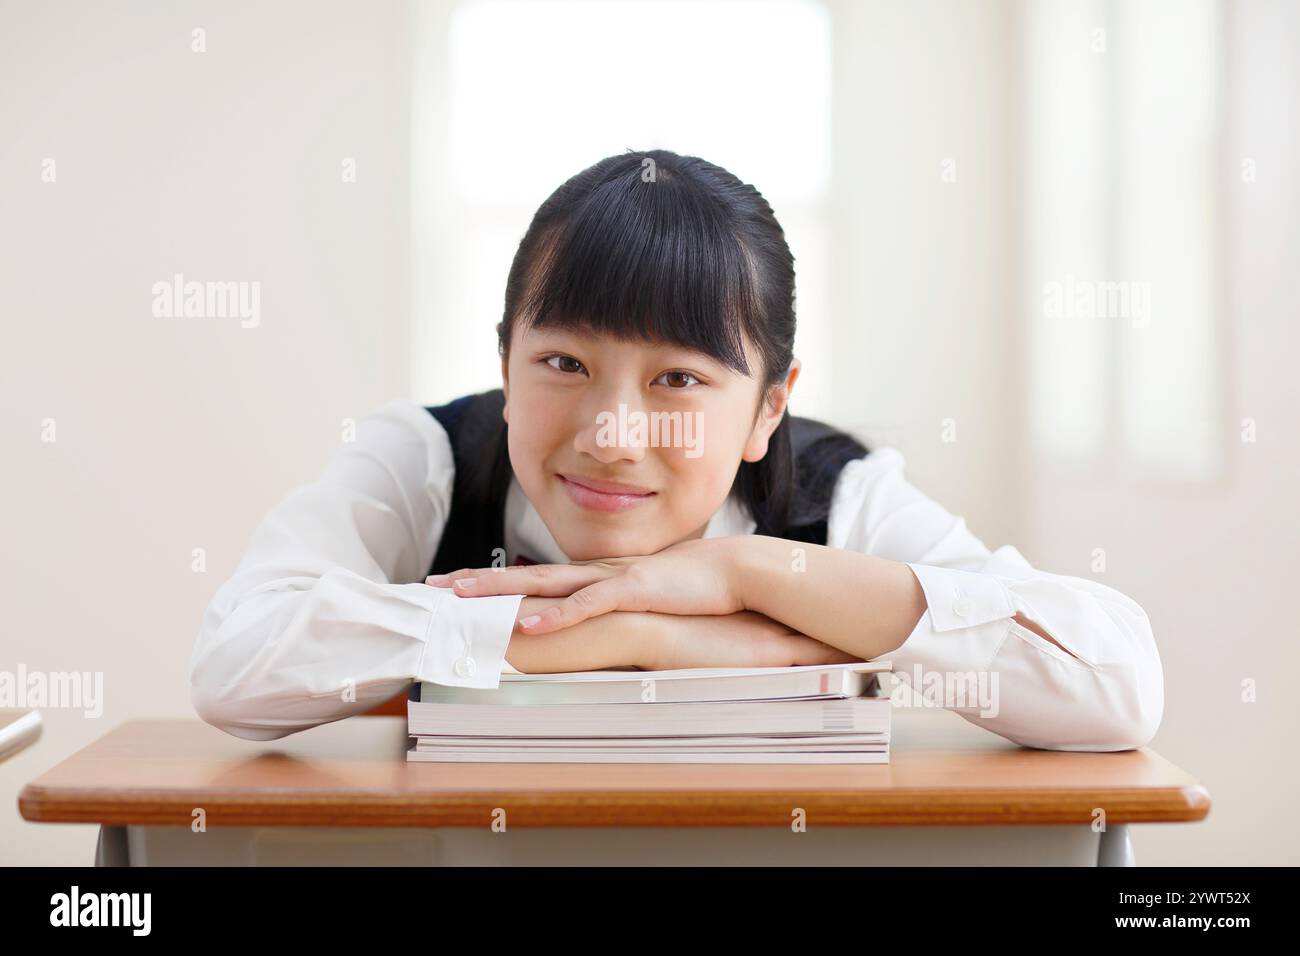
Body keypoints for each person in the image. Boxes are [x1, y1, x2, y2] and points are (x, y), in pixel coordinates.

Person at [189, 149, 1163, 751]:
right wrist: (637, 635)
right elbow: (235, 664)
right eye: (564, 361)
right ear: (502, 357)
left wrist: (737, 572)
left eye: (679, 379)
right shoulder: (429, 455)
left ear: (769, 405)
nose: (611, 435)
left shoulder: (837, 494)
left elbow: (1115, 685)